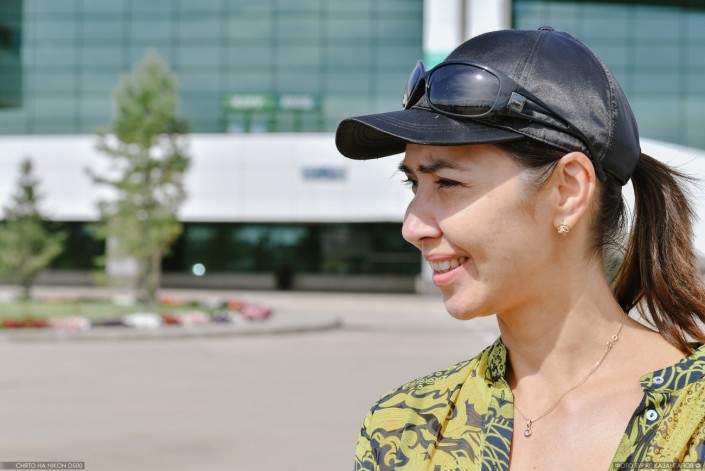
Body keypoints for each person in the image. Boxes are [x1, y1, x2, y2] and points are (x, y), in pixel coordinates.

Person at [335, 28, 705, 470]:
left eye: (447, 183)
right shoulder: (405, 429)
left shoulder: (695, 421)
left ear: (568, 190)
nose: (412, 227)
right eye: (414, 184)